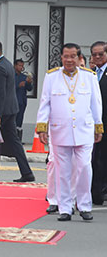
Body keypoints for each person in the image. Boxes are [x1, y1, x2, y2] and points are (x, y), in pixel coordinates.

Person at [36, 43, 103, 221]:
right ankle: (65, 208)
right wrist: (42, 127)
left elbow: (96, 103)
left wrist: (98, 126)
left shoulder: (89, 76)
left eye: (73, 56)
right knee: (62, 171)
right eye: (66, 56)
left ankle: (84, 205)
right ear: (61, 57)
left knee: (84, 168)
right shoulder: (51, 77)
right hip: (60, 131)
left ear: (79, 58)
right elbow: (45, 103)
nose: (69, 60)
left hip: (84, 130)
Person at [0, 41, 34, 182]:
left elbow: (0, 93)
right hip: (11, 109)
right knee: (14, 142)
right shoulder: (7, 64)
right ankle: (27, 172)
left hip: (4, 111)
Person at [89, 41, 107, 205]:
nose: (97, 57)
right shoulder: (91, 73)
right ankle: (97, 192)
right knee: (96, 159)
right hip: (95, 124)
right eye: (94, 54)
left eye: (100, 54)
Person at [14, 59, 33, 139]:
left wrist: (28, 83)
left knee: (20, 120)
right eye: (19, 65)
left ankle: (18, 138)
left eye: (22, 66)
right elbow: (8, 88)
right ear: (15, 65)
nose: (21, 68)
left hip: (22, 101)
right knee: (12, 120)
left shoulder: (24, 77)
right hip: (13, 101)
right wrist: (18, 86)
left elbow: (29, 89)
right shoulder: (11, 75)